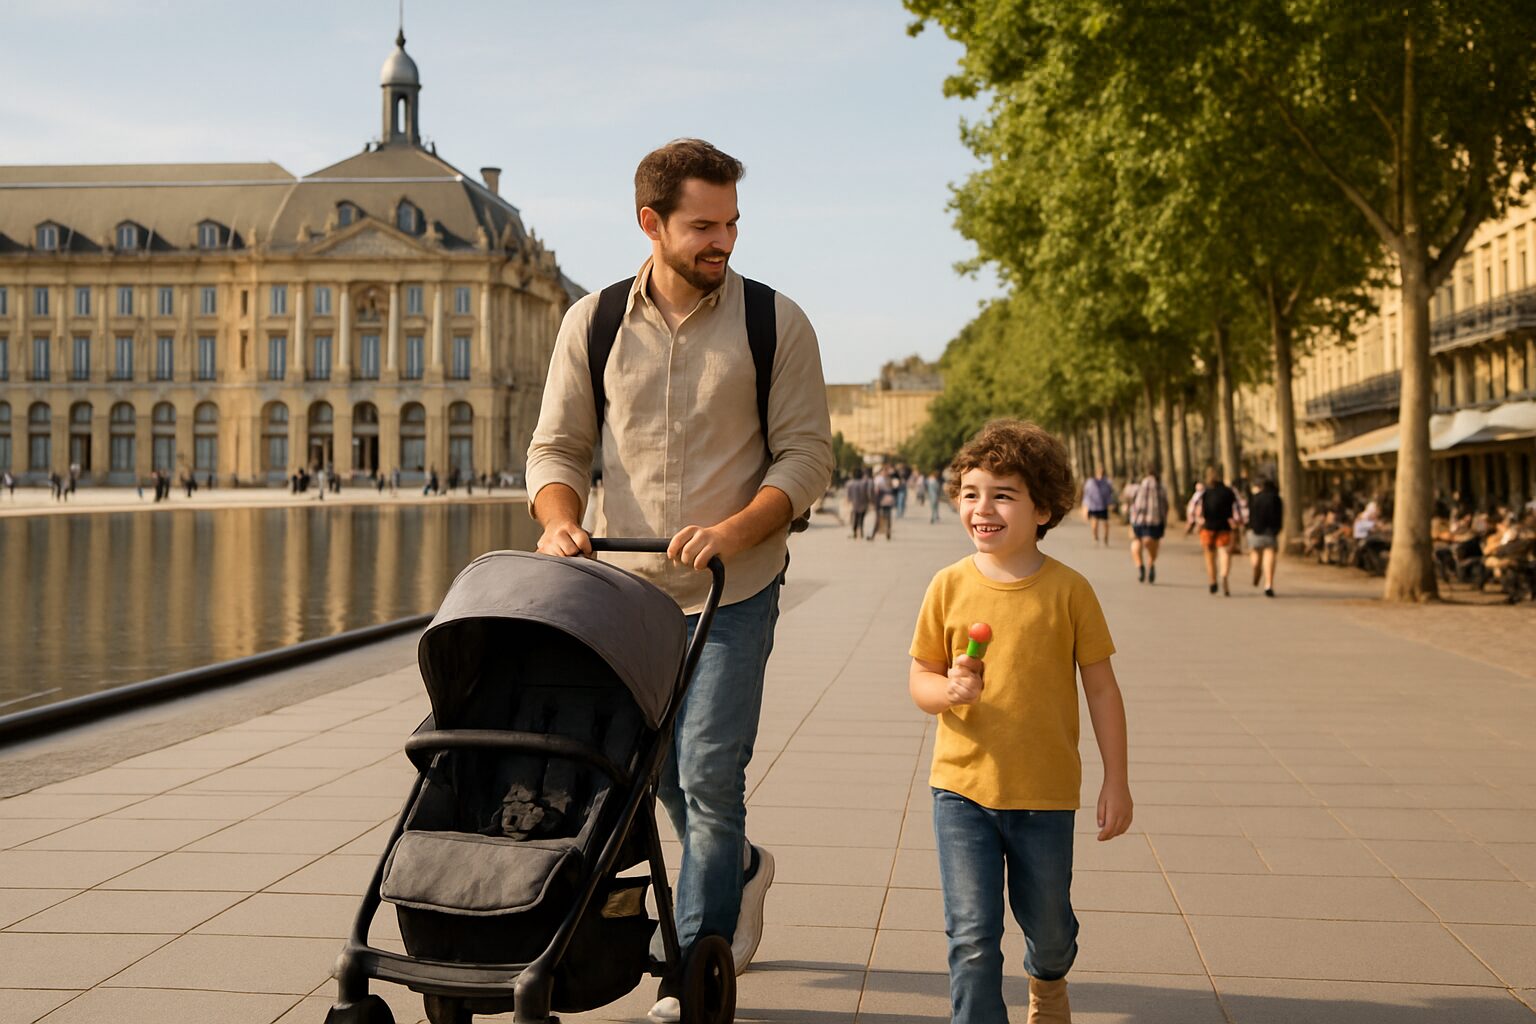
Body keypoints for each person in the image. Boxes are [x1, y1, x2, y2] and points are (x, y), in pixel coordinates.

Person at [524, 138, 834, 1021]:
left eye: (733, 222)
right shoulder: (589, 323)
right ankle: (735, 867)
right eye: (704, 225)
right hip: (623, 596)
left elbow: (808, 455)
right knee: (649, 773)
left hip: (735, 590)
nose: (724, 241)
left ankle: (691, 966)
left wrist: (736, 529)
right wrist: (557, 519)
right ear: (650, 223)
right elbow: (557, 449)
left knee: (707, 768)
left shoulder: (778, 322)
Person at [909, 420, 1132, 1024]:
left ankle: (1049, 981)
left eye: (1003, 495)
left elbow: (1103, 691)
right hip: (961, 791)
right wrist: (947, 690)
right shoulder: (947, 586)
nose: (982, 507)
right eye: (971, 492)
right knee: (972, 937)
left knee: (1050, 927)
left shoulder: (1070, 591)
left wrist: (1117, 779)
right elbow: (920, 681)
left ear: (1044, 509)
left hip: (1045, 794)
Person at [1197, 467, 1240, 595]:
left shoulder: (1204, 493)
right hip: (1224, 527)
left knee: (1209, 556)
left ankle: (1212, 580)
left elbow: (1196, 510)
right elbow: (1237, 509)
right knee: (1224, 552)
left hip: (1208, 528)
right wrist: (1237, 524)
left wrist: (1196, 523)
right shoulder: (1229, 492)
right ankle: (1224, 575)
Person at [1127, 467, 1168, 584]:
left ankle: (1140, 566)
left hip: (1138, 521)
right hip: (1156, 522)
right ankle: (1151, 563)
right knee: (1153, 544)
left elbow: (1128, 497)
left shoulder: (1138, 487)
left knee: (1136, 542)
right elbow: (1165, 506)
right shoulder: (1161, 488)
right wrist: (1163, 522)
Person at [1247, 478, 1283, 597]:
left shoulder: (1255, 498)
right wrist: (1277, 529)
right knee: (1269, 554)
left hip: (1256, 530)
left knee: (1255, 554)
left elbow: (1250, 515)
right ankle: (1269, 584)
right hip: (1270, 532)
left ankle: (1256, 569)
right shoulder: (1276, 498)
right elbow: (1280, 516)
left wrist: (1251, 527)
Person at [1081, 467, 1114, 546]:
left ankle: (1106, 538)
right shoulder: (1091, 482)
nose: (1101, 473)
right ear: (1096, 473)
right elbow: (1087, 494)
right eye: (1100, 472)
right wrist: (1085, 507)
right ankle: (1095, 537)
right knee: (1095, 523)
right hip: (1093, 506)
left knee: (1105, 524)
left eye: (1102, 472)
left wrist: (1110, 503)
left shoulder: (1107, 482)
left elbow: (1110, 493)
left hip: (1103, 506)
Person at [846, 467, 871, 540]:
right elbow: (867, 493)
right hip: (863, 502)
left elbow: (848, 494)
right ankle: (861, 531)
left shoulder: (850, 483)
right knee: (861, 518)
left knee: (855, 518)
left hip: (854, 503)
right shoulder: (864, 483)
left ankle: (854, 532)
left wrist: (849, 501)